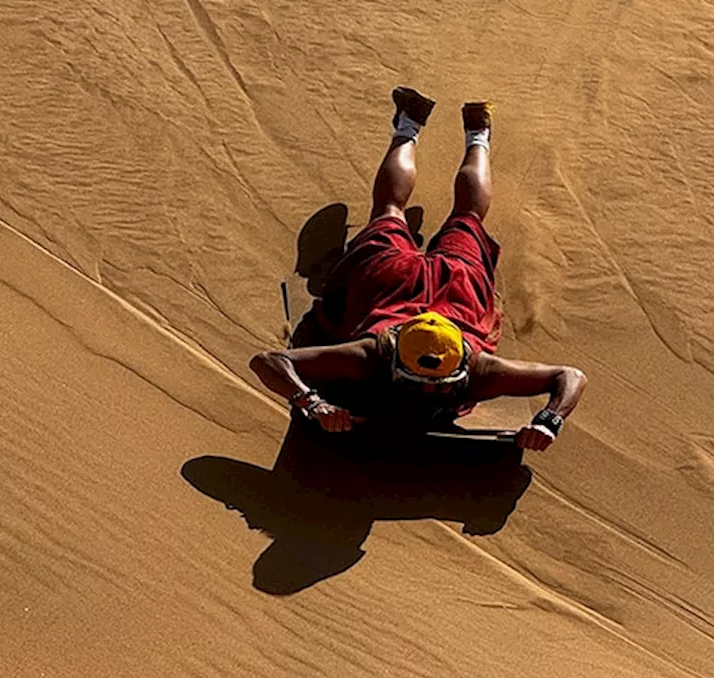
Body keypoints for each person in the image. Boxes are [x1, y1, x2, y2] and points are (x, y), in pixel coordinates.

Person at [250, 87, 586, 452]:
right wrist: (311, 402)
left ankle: (419, 125)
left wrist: (550, 420)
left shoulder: (477, 369)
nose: (431, 392)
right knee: (459, 216)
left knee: (393, 211)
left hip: (420, 281)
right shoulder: (371, 355)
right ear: (392, 358)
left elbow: (572, 377)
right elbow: (269, 361)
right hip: (426, 281)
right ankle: (472, 132)